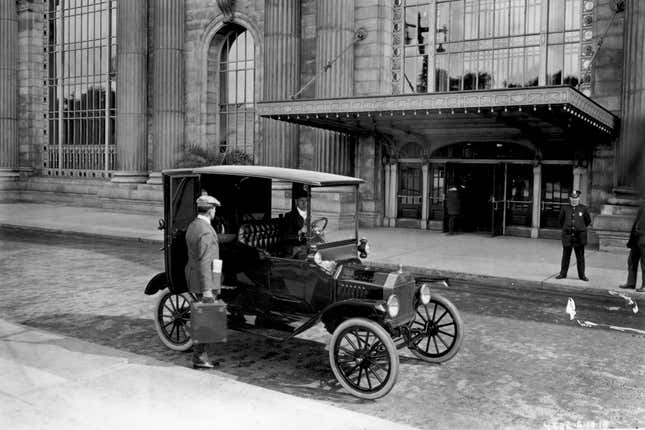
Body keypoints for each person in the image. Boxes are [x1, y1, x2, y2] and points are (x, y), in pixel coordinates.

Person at [185, 194, 222, 369]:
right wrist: (208, 290)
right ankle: (199, 357)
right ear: (211, 210)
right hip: (204, 281)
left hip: (194, 276)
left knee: (203, 317)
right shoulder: (206, 231)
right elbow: (205, 262)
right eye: (214, 209)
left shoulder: (194, 225)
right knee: (206, 319)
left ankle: (200, 355)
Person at [556, 190, 592, 281]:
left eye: (576, 198)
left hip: (579, 237)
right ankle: (563, 274)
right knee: (565, 257)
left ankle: (582, 275)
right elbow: (560, 220)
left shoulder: (583, 208)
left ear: (579, 199)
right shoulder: (565, 208)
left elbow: (587, 221)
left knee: (580, 257)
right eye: (572, 198)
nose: (574, 200)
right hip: (568, 236)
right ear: (570, 199)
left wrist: (579, 227)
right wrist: (566, 227)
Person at [619, 201, 645, 292]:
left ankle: (644, 286)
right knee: (631, 260)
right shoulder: (643, 205)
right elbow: (637, 222)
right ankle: (631, 283)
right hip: (636, 238)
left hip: (643, 238)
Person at [282, 187, 309, 256]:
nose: (304, 203)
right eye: (301, 201)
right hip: (293, 246)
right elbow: (286, 236)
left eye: (306, 201)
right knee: (304, 254)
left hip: (307, 245)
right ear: (296, 201)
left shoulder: (310, 215)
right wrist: (300, 232)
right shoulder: (289, 216)